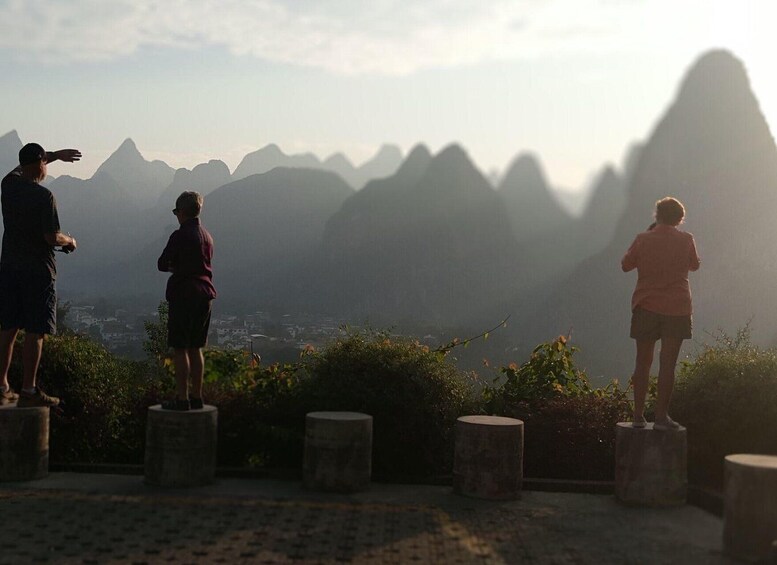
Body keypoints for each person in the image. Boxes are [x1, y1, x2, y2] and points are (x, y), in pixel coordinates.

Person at [0, 143, 81, 407]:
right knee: (36, 331)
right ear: (39, 166)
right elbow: (50, 237)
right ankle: (29, 388)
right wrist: (69, 241)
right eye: (45, 162)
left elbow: (18, 169)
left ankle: (1, 385)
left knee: (8, 329)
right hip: (38, 272)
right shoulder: (44, 197)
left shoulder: (7, 186)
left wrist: (54, 155)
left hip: (9, 268)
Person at [622, 197, 701, 430]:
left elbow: (626, 265)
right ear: (679, 219)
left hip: (646, 305)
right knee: (668, 365)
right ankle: (661, 417)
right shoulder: (687, 240)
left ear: (656, 215)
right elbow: (694, 265)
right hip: (677, 308)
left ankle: (637, 415)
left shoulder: (643, 239)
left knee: (642, 362)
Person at [157, 191, 216, 411]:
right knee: (196, 347)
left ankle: (182, 399)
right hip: (205, 295)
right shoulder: (208, 237)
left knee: (180, 348)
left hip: (184, 294)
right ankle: (197, 396)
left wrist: (176, 267)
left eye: (176, 212)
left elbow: (163, 263)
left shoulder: (180, 236)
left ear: (181, 212)